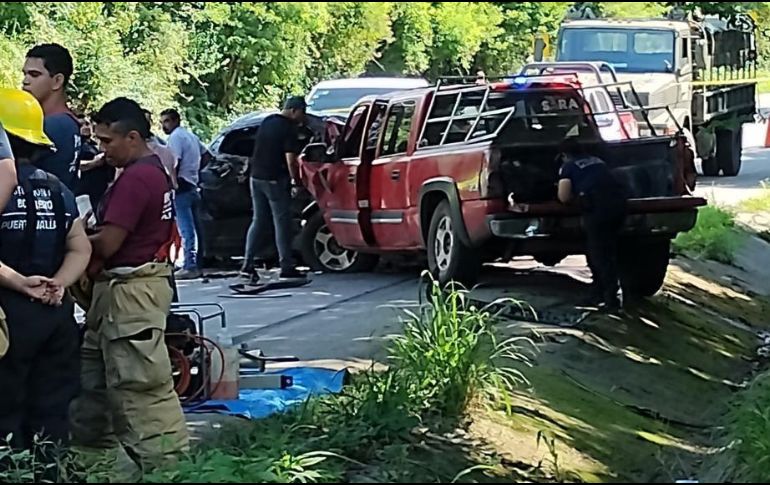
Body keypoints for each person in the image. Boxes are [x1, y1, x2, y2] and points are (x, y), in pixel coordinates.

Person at [69, 98, 188, 476]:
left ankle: (170, 471)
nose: (102, 150)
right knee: (94, 389)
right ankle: (93, 469)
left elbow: (108, 244)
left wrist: (76, 238)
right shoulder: (152, 169)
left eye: (107, 142)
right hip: (120, 295)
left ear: (132, 137)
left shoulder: (138, 177)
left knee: (140, 391)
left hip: (131, 295)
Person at [0, 88, 91, 456]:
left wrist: (22, 284)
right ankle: (50, 473)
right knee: (51, 414)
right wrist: (58, 283)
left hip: (7, 316)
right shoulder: (57, 189)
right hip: (55, 314)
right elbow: (80, 246)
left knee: (5, 415)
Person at [241, 96, 308, 281]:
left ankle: (247, 264)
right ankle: (286, 266)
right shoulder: (288, 128)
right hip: (275, 180)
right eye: (302, 112)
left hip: (256, 178)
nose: (303, 117)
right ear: (294, 110)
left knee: (259, 221)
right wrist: (296, 181)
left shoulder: (267, 122)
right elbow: (290, 159)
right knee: (282, 223)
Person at [557, 137, 627, 311]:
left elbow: (563, 197)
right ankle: (598, 293)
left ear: (564, 155)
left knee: (600, 255)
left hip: (598, 209)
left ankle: (611, 300)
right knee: (606, 251)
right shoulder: (597, 161)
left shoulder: (568, 166)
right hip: (619, 206)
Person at [22, 43, 82, 191]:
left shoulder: (53, 125)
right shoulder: (68, 122)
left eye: (34, 75)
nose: (25, 81)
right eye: (25, 74)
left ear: (57, 81)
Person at [160, 108, 203, 279]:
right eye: (162, 122)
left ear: (175, 121)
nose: (164, 125)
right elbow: (206, 154)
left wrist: (173, 182)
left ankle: (190, 265)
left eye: (166, 121)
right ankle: (196, 263)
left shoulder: (176, 138)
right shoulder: (191, 136)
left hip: (182, 186)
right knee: (196, 227)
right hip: (192, 183)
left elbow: (173, 162)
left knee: (185, 228)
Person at [77, 115, 116, 210]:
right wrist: (94, 162)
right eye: (81, 125)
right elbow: (74, 164)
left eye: (87, 124)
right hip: (84, 192)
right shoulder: (75, 146)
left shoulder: (95, 145)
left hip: (102, 190)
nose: (85, 127)